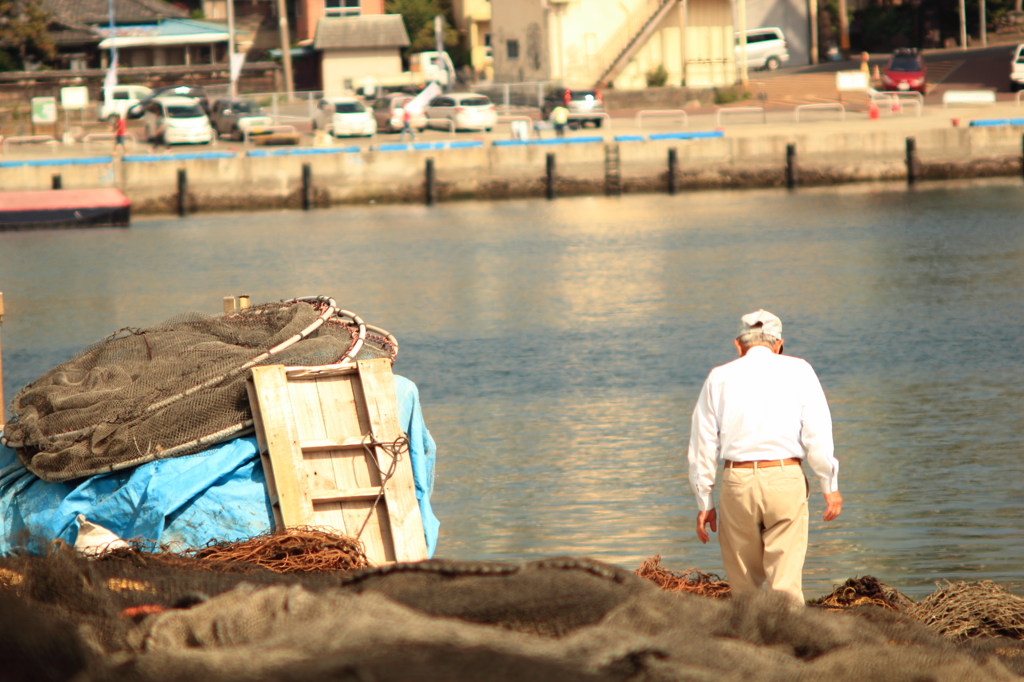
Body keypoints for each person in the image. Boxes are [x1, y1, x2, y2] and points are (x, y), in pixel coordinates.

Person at [687, 309, 842, 604]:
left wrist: (704, 501)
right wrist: (829, 485)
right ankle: (791, 641)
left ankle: (748, 643)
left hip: (737, 481)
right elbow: (817, 434)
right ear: (779, 343)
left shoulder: (718, 377)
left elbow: (702, 444)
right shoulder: (800, 370)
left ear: (738, 344)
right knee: (786, 587)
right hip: (785, 478)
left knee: (743, 590)